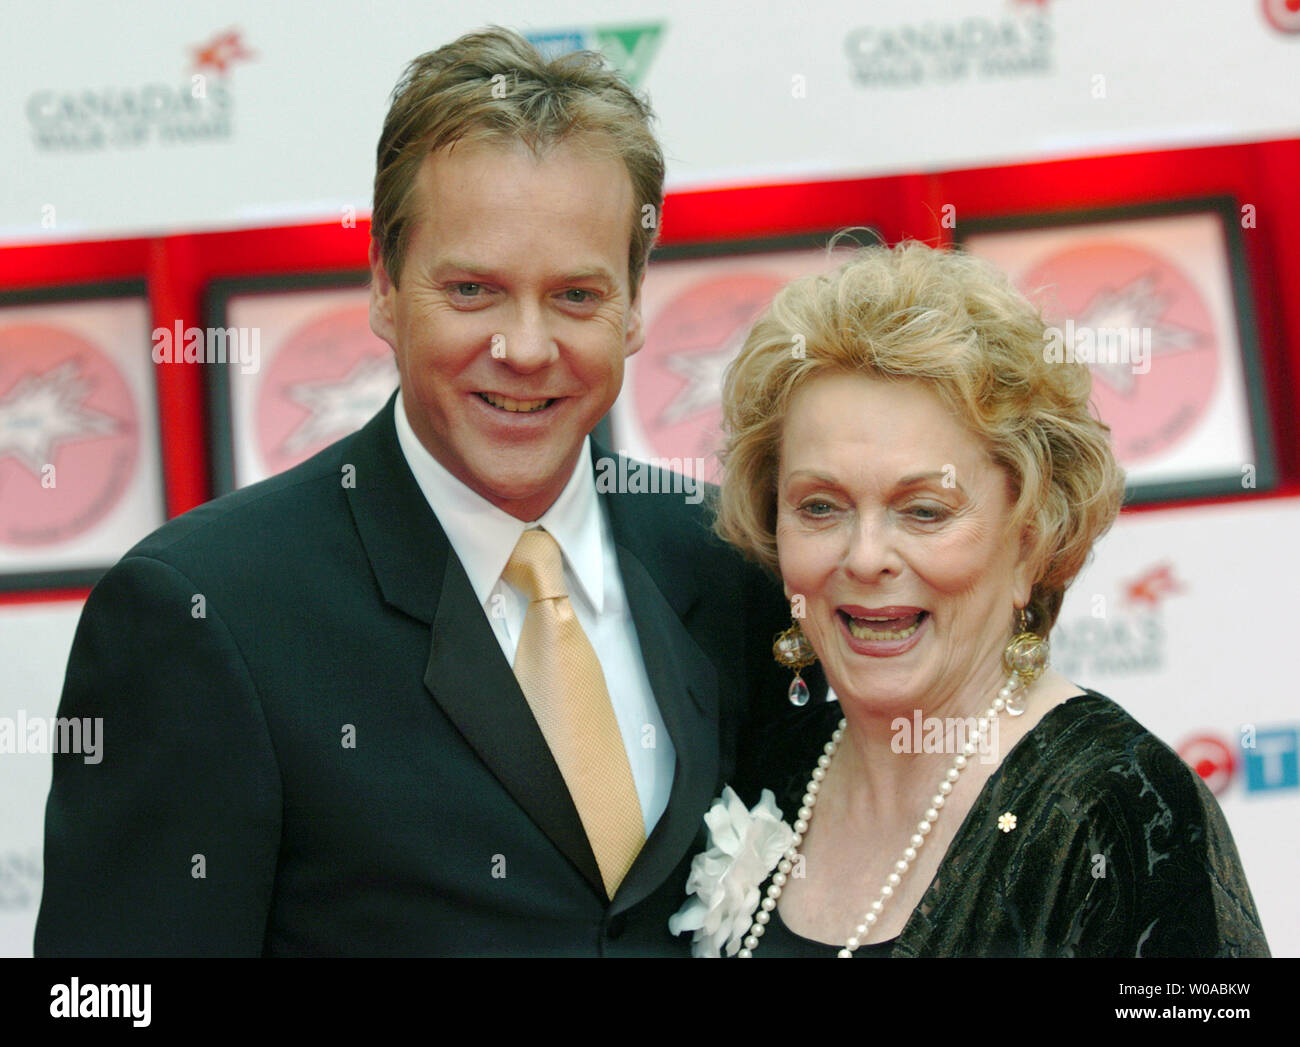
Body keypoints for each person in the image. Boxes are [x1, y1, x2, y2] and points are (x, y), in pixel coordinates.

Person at [35, 27, 794, 957]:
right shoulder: (203, 612)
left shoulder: (727, 562)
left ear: (636, 306)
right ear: (385, 290)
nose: (524, 346)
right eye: (473, 289)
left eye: (577, 296)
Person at [671, 240, 1270, 957]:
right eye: (821, 507)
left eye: (924, 510)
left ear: (1028, 539)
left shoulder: (1119, 812)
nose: (864, 557)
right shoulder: (766, 770)